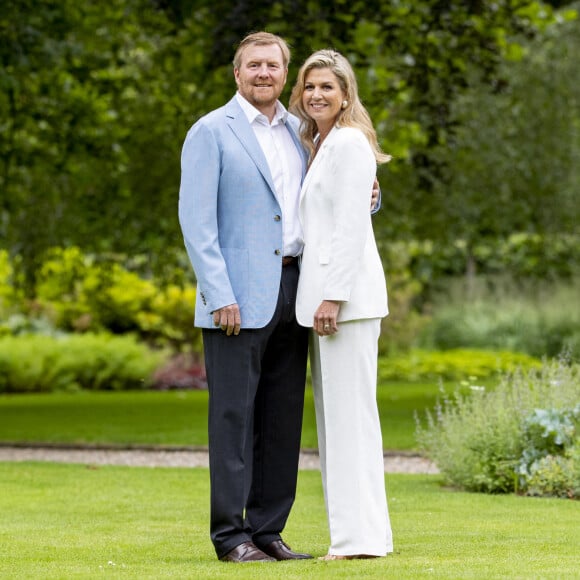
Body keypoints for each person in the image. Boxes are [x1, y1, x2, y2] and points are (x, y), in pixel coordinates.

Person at [178, 31, 312, 563]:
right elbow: (196, 222)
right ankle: (231, 537)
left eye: (273, 66)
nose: (263, 73)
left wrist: (370, 197)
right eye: (253, 65)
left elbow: (324, 196)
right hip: (234, 298)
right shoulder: (211, 131)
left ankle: (269, 530)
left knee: (282, 419)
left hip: (295, 290)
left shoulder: (302, 131)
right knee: (233, 420)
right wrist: (218, 294)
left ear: (286, 73)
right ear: (237, 74)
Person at [289, 49, 393, 559]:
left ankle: (359, 541)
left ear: (346, 94)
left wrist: (333, 296)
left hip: (344, 304)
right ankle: (360, 536)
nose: (316, 95)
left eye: (327, 87)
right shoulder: (322, 144)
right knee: (339, 423)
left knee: (351, 421)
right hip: (328, 303)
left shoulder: (349, 142)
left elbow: (351, 227)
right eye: (309, 87)